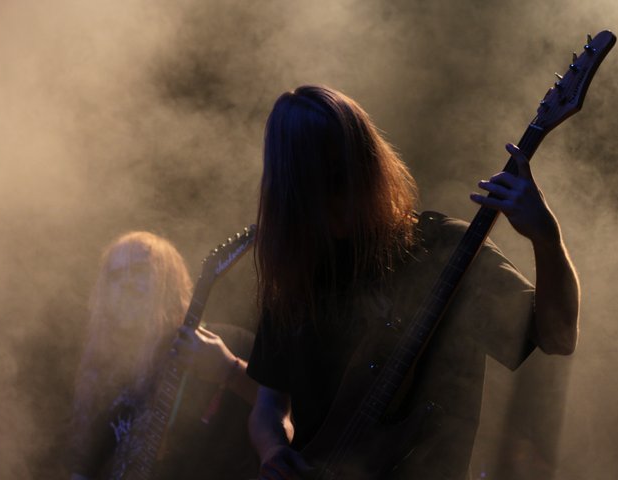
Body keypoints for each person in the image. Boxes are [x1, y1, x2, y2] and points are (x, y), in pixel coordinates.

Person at [246, 85, 580, 479]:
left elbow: (558, 338)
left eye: (339, 179)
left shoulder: (443, 249)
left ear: (367, 168)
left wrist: (547, 239)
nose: (334, 202)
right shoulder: (296, 272)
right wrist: (273, 449)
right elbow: (269, 403)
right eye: (316, 189)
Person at [69, 231, 259, 479]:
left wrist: (229, 370)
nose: (126, 283)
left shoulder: (224, 342)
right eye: (115, 276)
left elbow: (284, 411)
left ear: (169, 282)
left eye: (140, 270)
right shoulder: (104, 374)